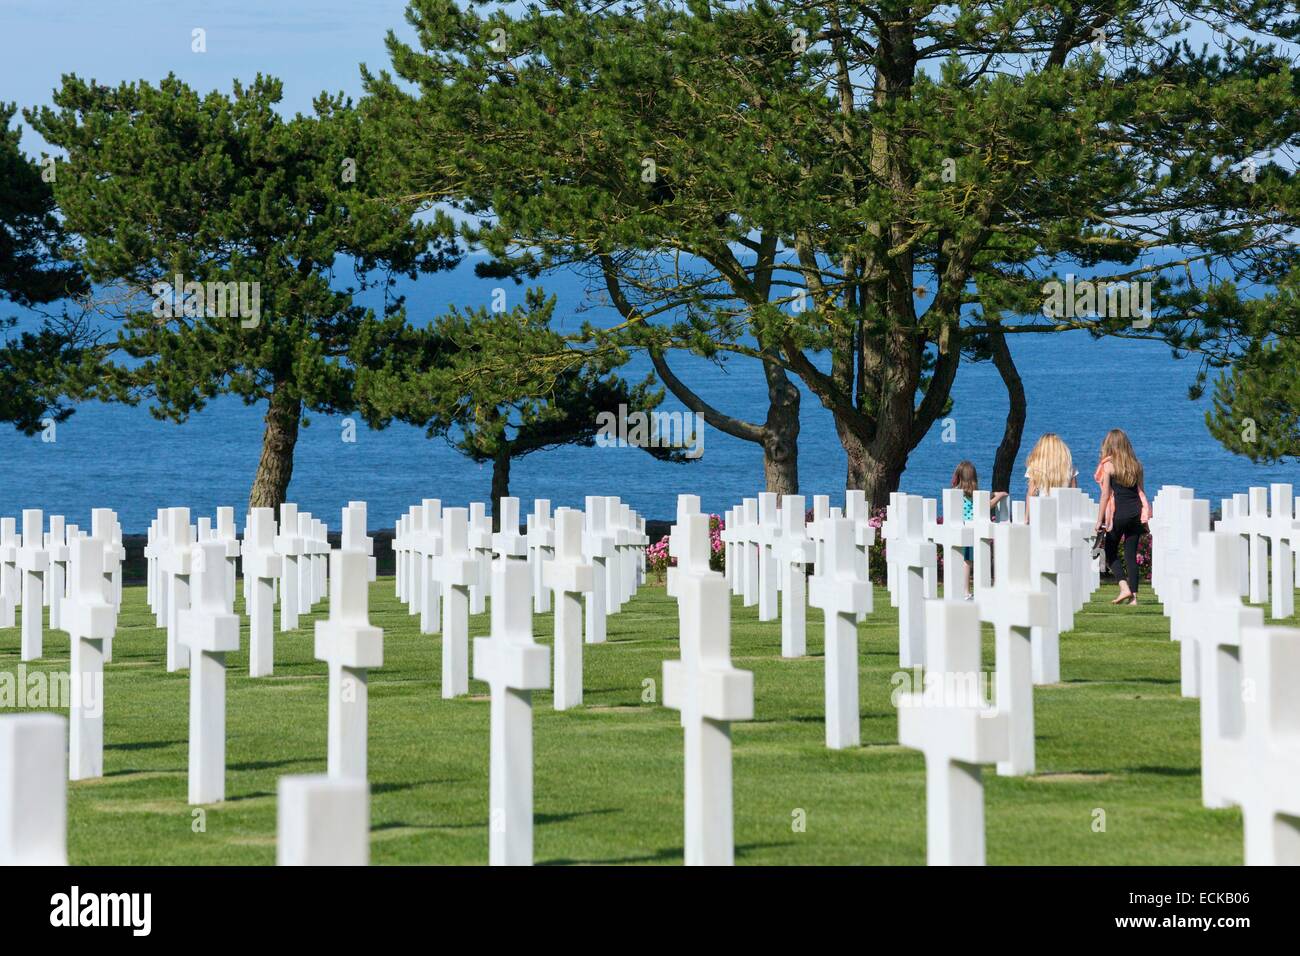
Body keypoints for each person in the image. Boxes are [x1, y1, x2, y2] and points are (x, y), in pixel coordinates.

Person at [1094, 429, 1151, 605]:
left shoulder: (1108, 466)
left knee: (1110, 552)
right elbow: (1141, 490)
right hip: (1136, 513)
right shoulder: (1136, 465)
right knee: (1130, 555)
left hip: (1118, 514)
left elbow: (1105, 496)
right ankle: (1134, 598)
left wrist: (1099, 520)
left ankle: (1124, 587)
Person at [951, 460, 1008, 598]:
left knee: (962, 560)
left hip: (958, 531)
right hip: (971, 532)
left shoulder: (956, 493)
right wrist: (999, 496)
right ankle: (966, 591)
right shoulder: (972, 495)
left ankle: (962, 589)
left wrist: (993, 493)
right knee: (968, 562)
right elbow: (986, 505)